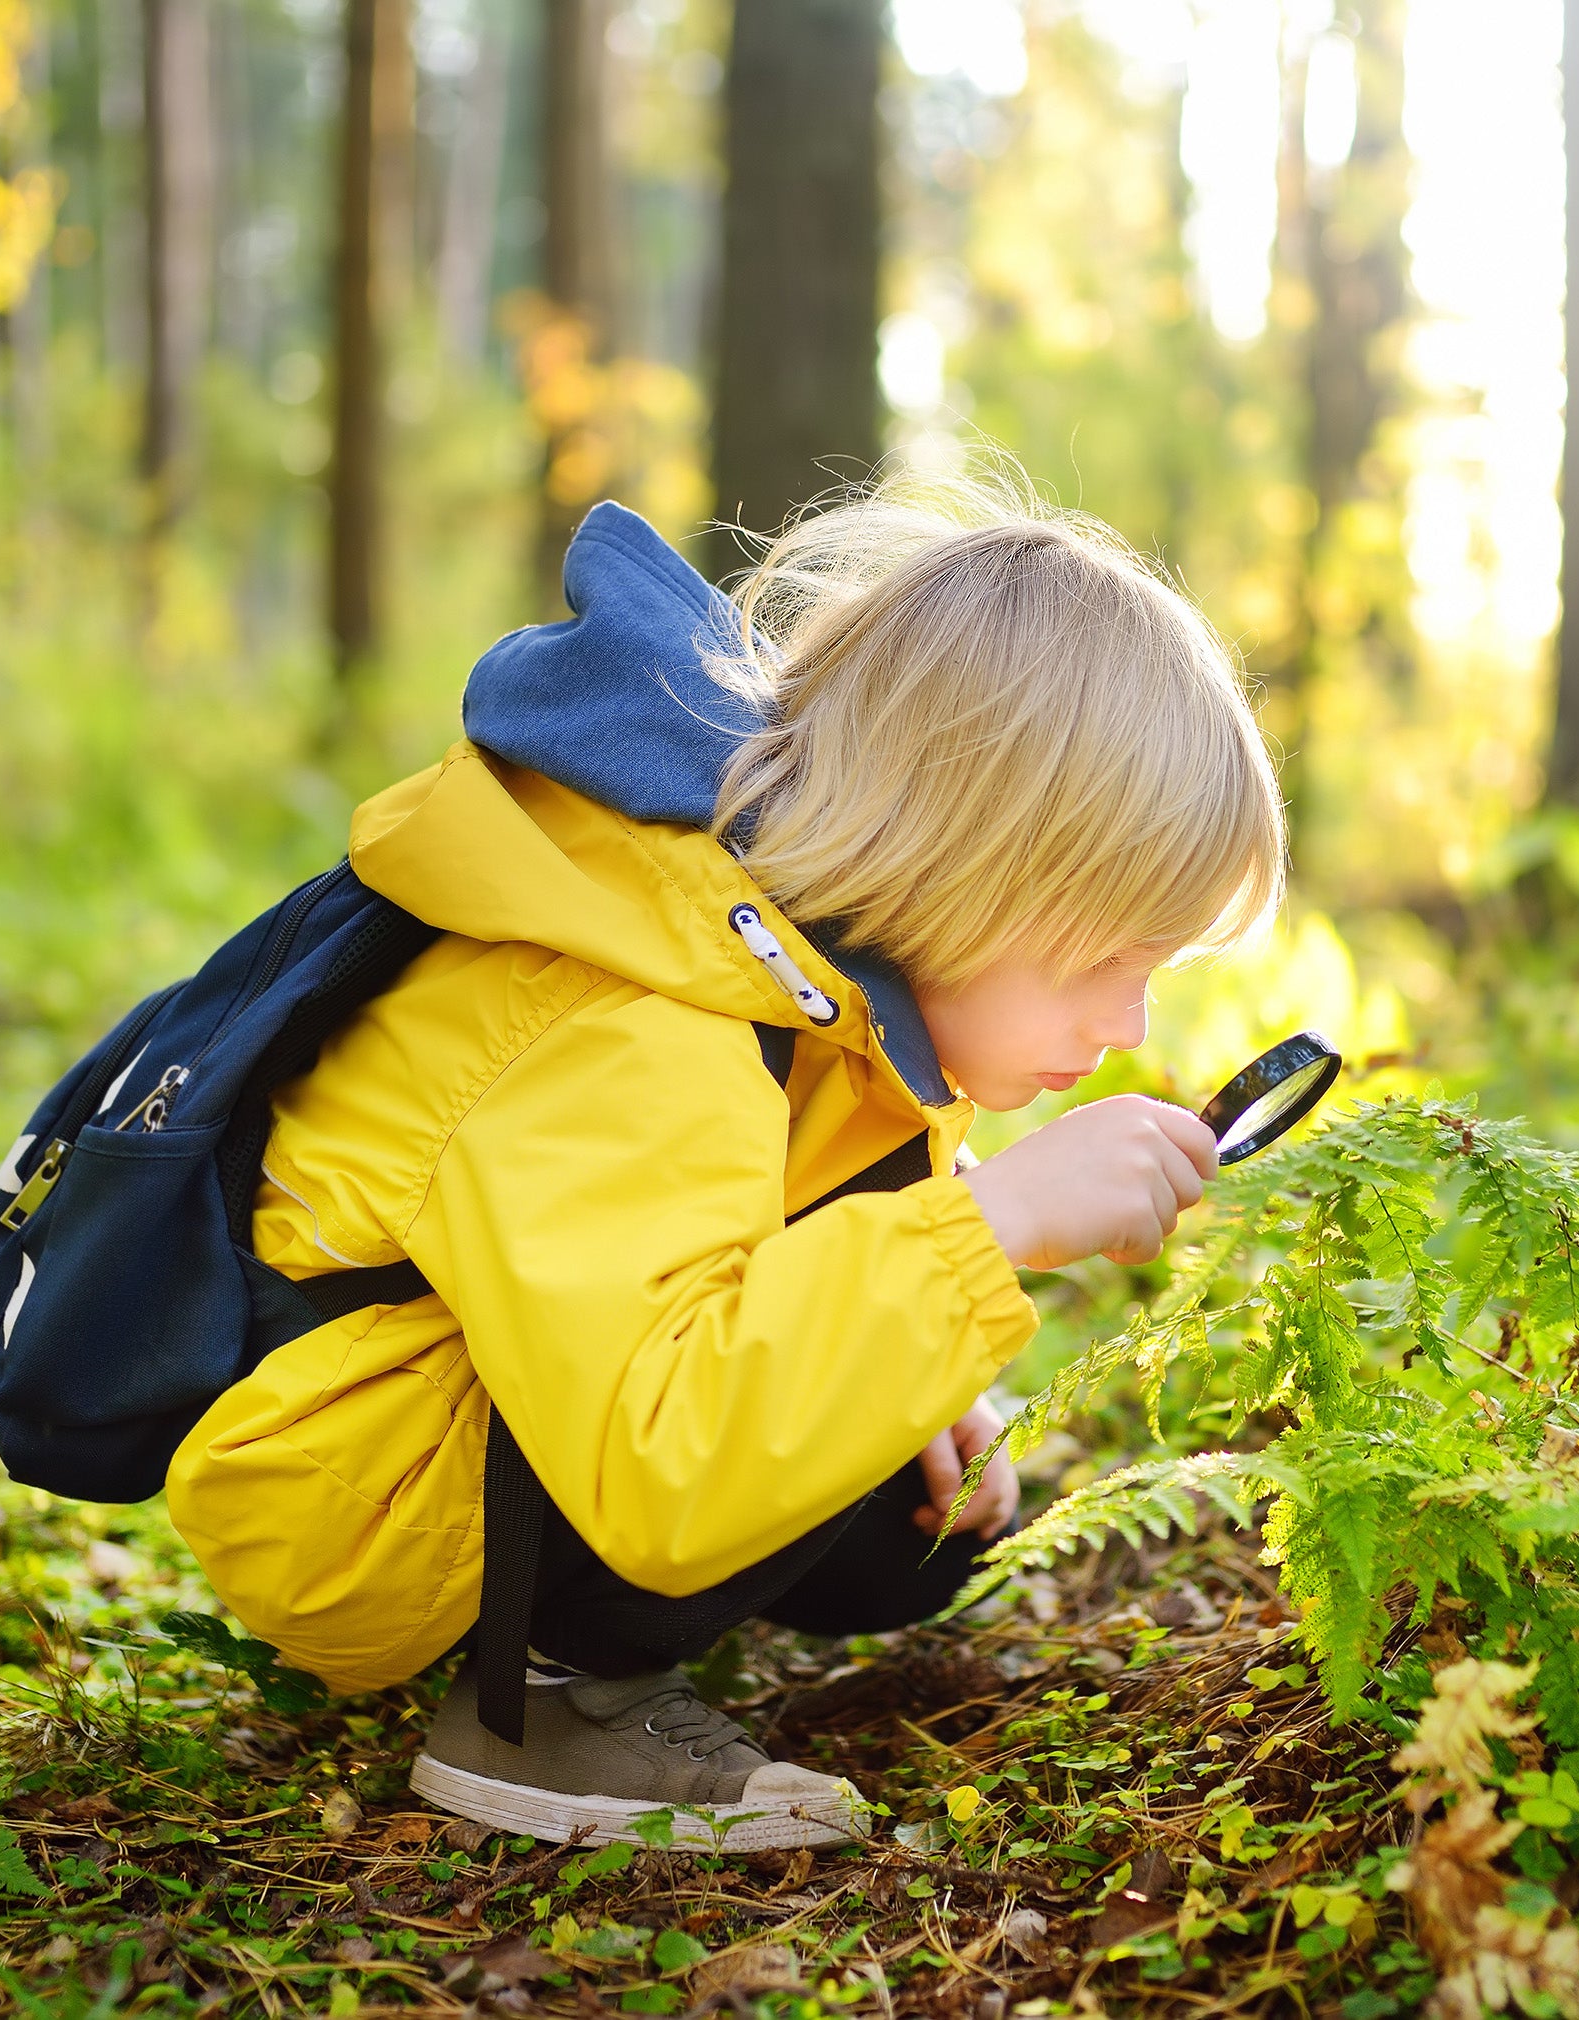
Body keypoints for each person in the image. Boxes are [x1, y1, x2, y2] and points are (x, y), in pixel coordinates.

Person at [164, 470, 1285, 1849]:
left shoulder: (820, 991)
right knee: (786, 1440)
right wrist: (983, 1231)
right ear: (960, 860)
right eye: (1102, 959)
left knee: (908, 1524)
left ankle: (588, 1638)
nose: (1126, 1027)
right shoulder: (642, 1010)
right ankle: (543, 1712)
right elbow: (662, 1437)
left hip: (530, 1409)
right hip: (351, 1494)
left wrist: (914, 1368)